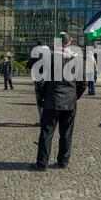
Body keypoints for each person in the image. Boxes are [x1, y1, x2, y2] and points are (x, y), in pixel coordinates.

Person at [33, 32, 86, 171]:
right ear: (69, 43)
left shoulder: (48, 58)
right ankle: (63, 161)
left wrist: (42, 98)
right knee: (66, 133)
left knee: (46, 133)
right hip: (69, 102)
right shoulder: (77, 59)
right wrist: (75, 96)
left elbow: (39, 82)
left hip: (51, 101)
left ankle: (42, 163)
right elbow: (83, 84)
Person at [27, 41, 50, 126]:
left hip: (38, 81)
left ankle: (42, 120)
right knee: (48, 101)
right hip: (49, 81)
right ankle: (48, 120)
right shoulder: (50, 54)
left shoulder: (34, 53)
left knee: (40, 101)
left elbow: (29, 66)